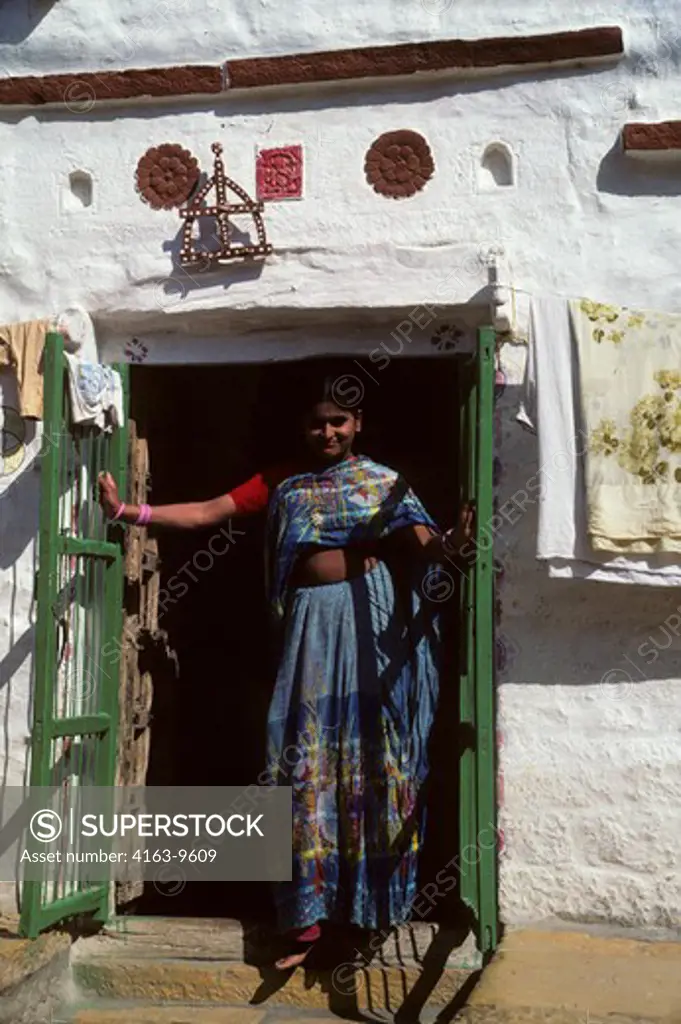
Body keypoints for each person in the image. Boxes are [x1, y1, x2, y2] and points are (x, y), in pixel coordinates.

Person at [98, 372, 473, 970]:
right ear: (303, 428)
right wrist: (129, 511)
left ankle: (367, 912)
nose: (327, 431)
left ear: (357, 426)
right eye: (316, 423)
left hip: (369, 625)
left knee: (372, 759)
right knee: (301, 759)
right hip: (309, 630)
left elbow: (428, 545)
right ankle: (306, 919)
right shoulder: (283, 482)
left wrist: (454, 545)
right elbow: (206, 511)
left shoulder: (382, 482)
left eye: (338, 422)